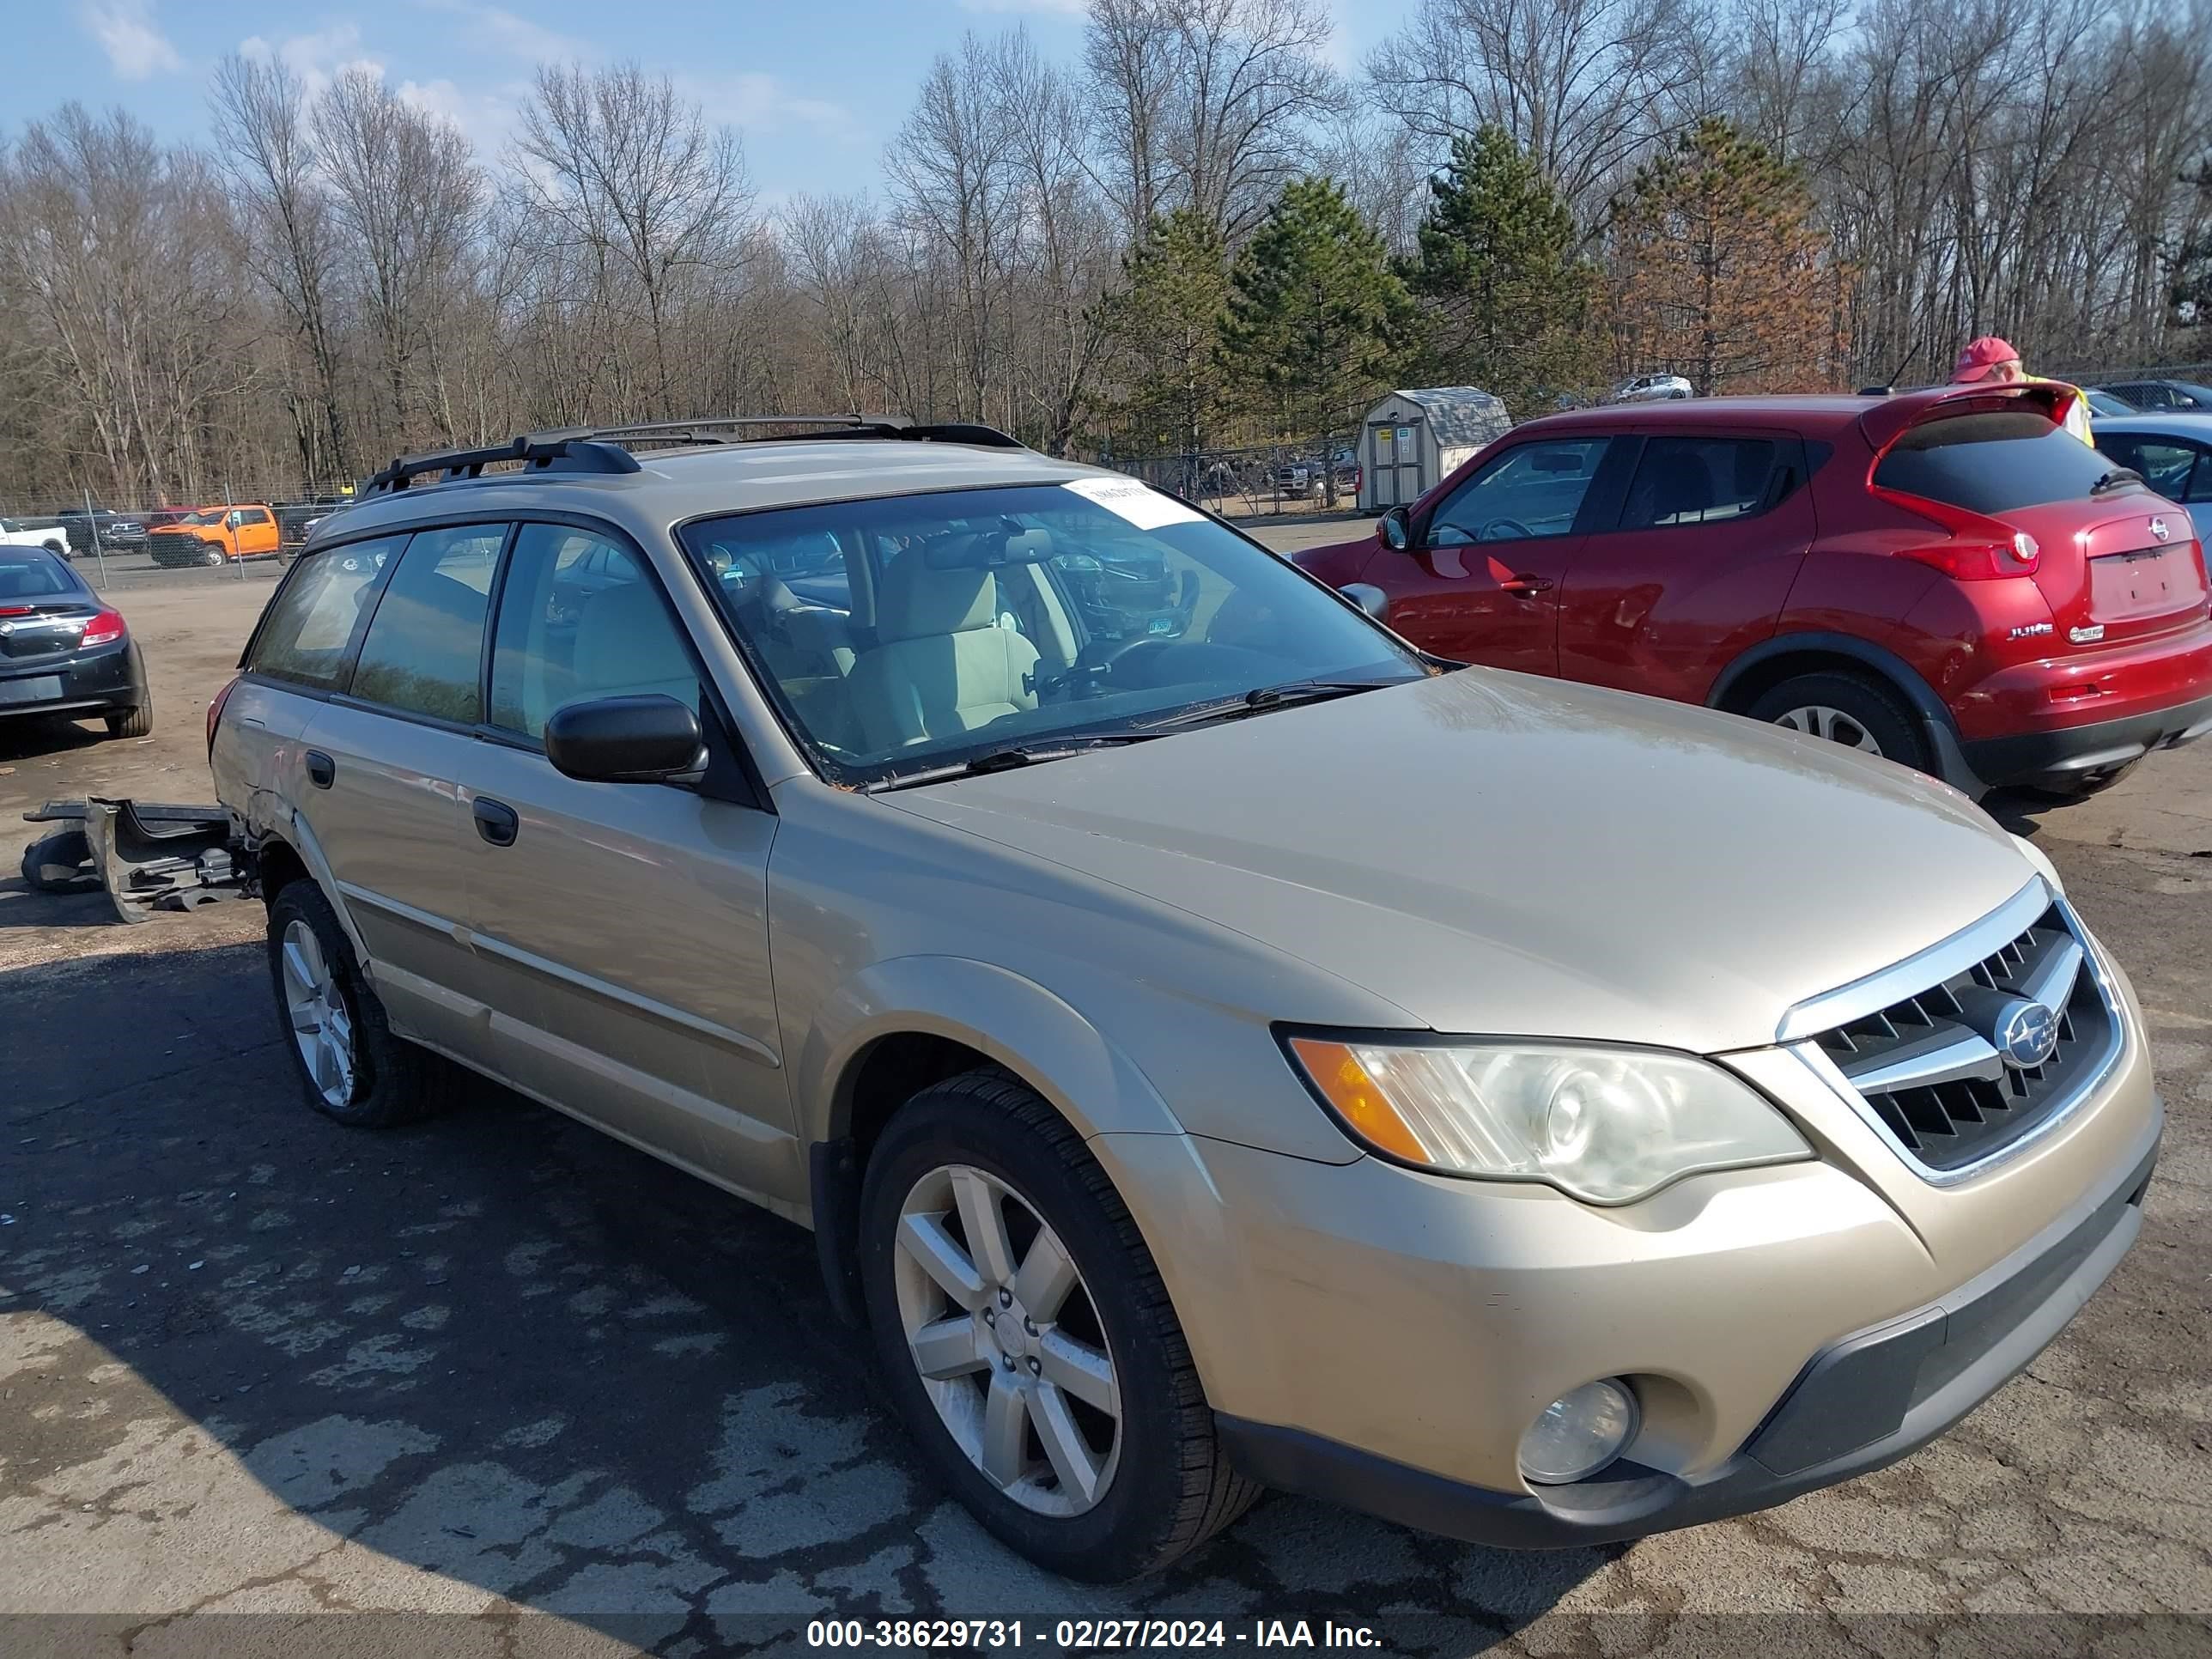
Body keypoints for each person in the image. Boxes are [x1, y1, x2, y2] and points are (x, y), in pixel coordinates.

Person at [1952, 336, 2094, 444]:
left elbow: (2069, 461)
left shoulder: (2061, 397)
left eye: (1979, 385)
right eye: (1966, 384)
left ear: (2008, 374)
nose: (1972, 392)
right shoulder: (1991, 405)